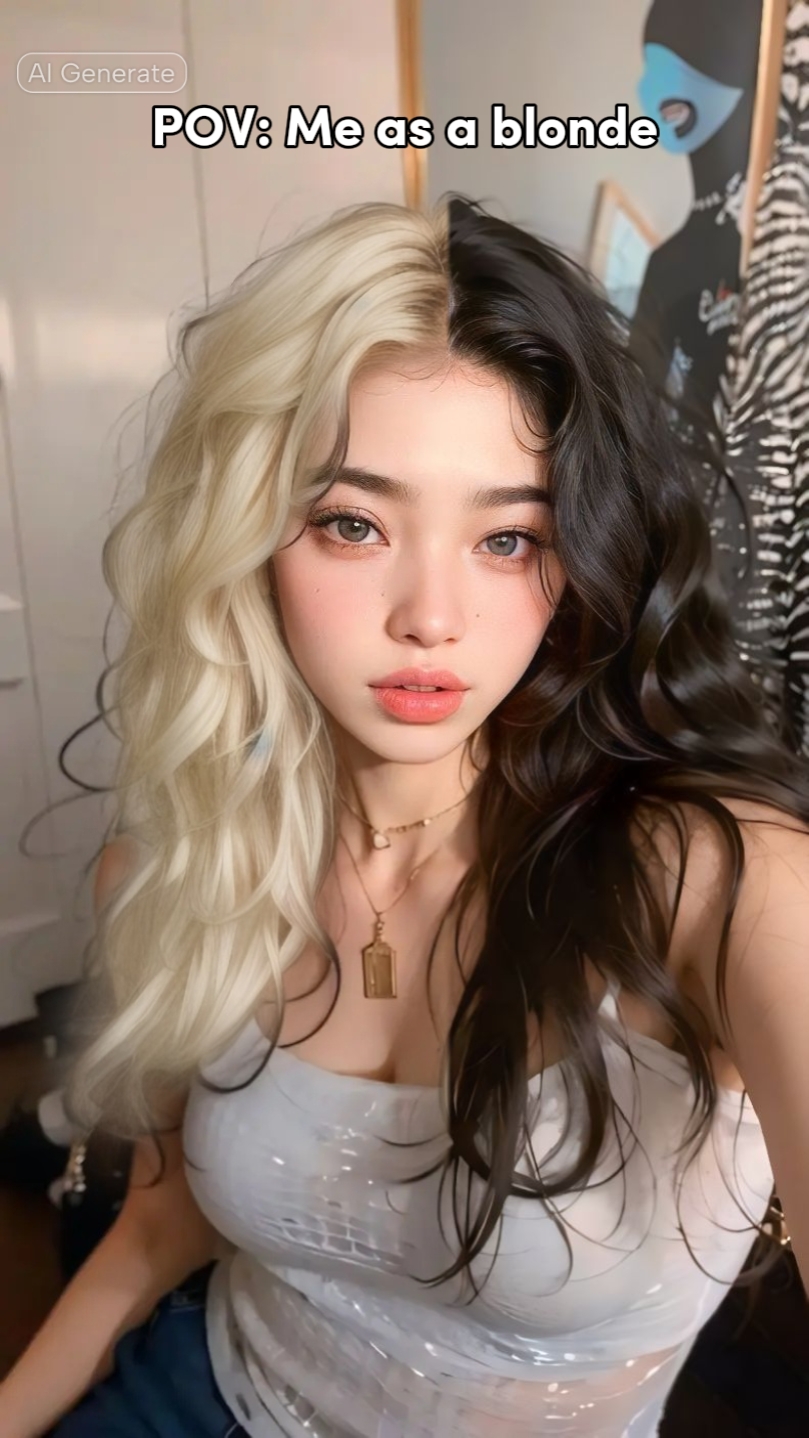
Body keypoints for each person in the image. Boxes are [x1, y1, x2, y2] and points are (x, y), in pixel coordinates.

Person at [2, 196, 808, 1438]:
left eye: (507, 538)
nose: (430, 616)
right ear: (246, 537)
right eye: (352, 523)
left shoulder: (720, 885)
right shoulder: (176, 877)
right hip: (200, 1395)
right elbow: (162, 1220)